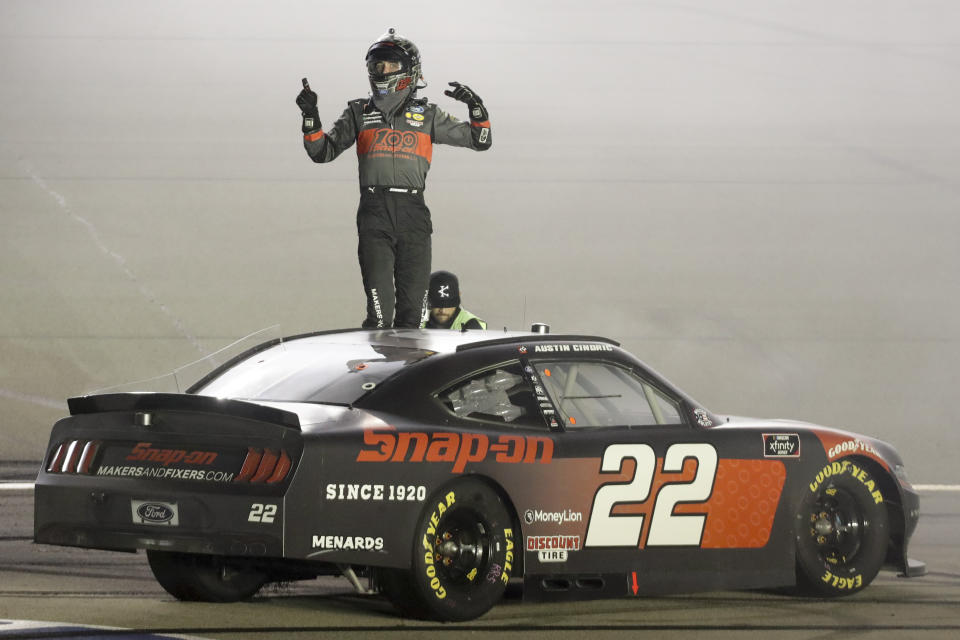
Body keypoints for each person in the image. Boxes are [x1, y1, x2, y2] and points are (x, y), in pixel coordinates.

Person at [296, 28, 491, 329]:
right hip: (375, 210)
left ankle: (409, 372)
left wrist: (476, 106)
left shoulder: (427, 114)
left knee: (414, 317)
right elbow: (322, 151)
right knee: (380, 315)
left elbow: (481, 139)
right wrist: (310, 116)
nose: (382, 71)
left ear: (410, 71)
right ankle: (379, 370)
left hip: (414, 212)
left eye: (389, 65)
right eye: (377, 65)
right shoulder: (358, 112)